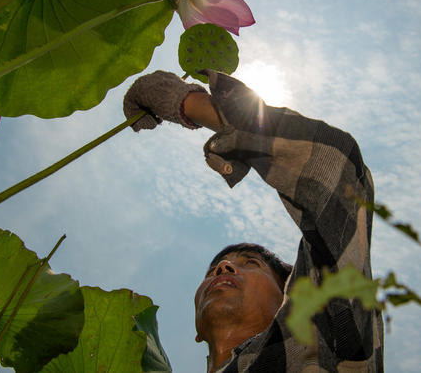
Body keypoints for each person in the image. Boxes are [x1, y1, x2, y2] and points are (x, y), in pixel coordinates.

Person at [123, 69, 384, 373]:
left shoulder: (324, 345)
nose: (223, 267)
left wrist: (187, 103)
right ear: (195, 331)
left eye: (251, 263)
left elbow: (337, 173)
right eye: (213, 270)